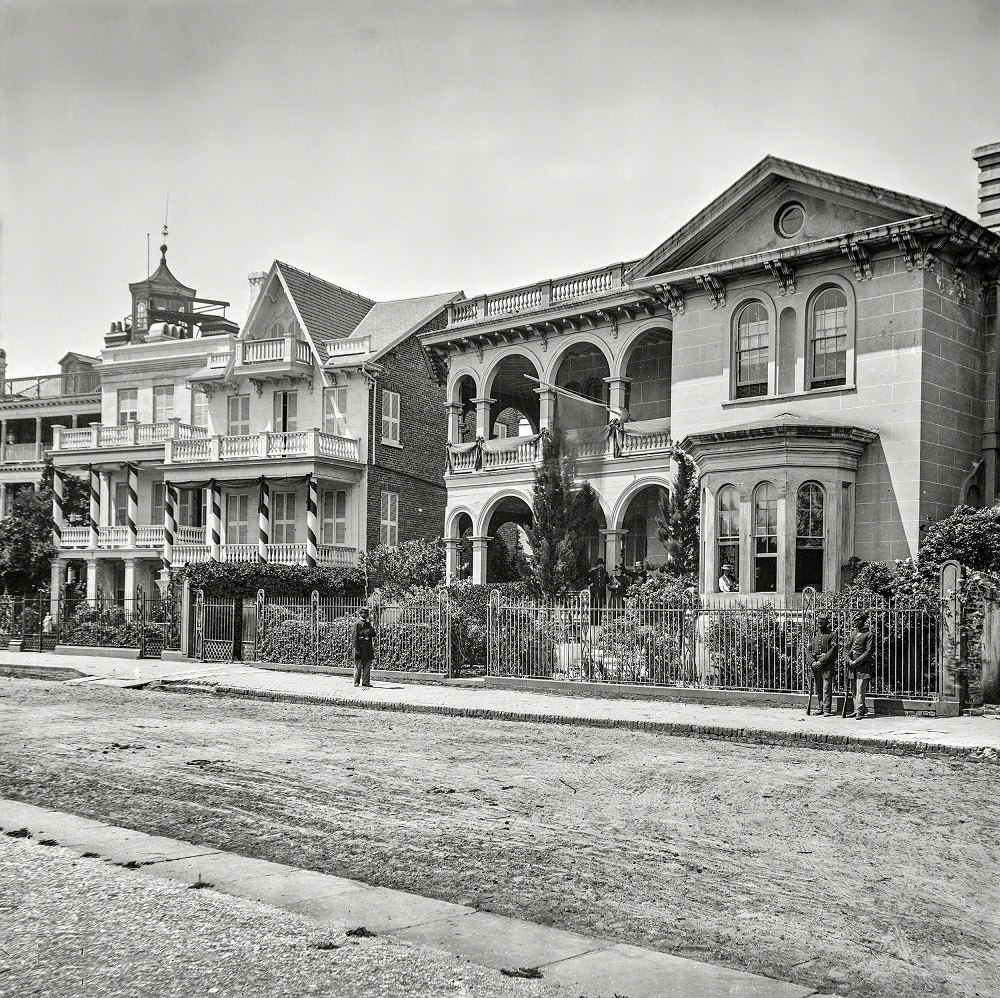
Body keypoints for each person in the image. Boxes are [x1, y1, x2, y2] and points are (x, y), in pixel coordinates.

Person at [845, 611, 874, 719]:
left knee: (860, 689)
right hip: (852, 666)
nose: (855, 622)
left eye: (858, 620)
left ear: (863, 621)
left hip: (862, 666)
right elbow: (845, 648)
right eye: (855, 620)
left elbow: (869, 651)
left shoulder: (869, 634)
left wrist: (856, 661)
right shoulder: (852, 634)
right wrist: (848, 660)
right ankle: (856, 709)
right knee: (853, 689)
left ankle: (860, 711)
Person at [809, 614, 838, 717]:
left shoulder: (832, 635)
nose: (819, 625)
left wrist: (821, 661)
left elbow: (833, 651)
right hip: (816, 666)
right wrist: (812, 662)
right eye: (818, 623)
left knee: (826, 689)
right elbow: (808, 650)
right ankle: (820, 707)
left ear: (826, 623)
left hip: (827, 666)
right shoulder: (815, 634)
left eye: (822, 623)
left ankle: (826, 709)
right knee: (818, 688)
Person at [353, 607, 376, 688]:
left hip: (367, 648)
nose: (367, 615)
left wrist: (369, 630)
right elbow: (355, 637)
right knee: (358, 666)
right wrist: (357, 650)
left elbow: (374, 634)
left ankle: (366, 682)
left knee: (367, 666)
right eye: (365, 613)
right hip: (360, 648)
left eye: (367, 613)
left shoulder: (368, 623)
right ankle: (356, 682)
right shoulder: (357, 623)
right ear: (361, 614)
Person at [588, 557, 610, 625]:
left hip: (601, 593)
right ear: (597, 565)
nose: (600, 566)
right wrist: (590, 583)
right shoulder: (592, 572)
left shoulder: (605, 573)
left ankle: (598, 622)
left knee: (599, 608)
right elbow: (586, 579)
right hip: (594, 592)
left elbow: (607, 581)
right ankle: (593, 622)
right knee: (593, 607)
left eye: (601, 564)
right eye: (599, 564)